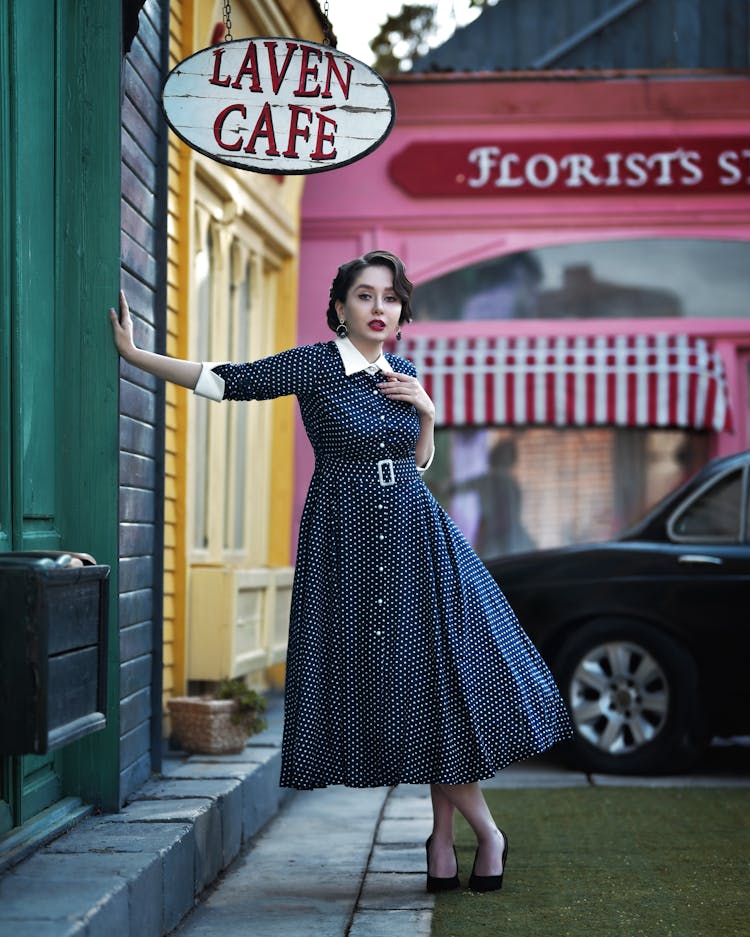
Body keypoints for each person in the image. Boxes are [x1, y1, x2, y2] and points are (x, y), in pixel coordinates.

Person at [110, 249, 572, 894]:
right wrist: (138, 359)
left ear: (402, 310)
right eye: (365, 296)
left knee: (444, 684)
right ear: (339, 308)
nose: (379, 308)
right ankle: (486, 834)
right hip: (348, 545)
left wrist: (429, 412)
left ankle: (443, 842)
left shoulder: (406, 372)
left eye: (390, 297)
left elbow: (418, 463)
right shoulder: (314, 366)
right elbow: (225, 379)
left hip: (419, 537)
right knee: (408, 688)